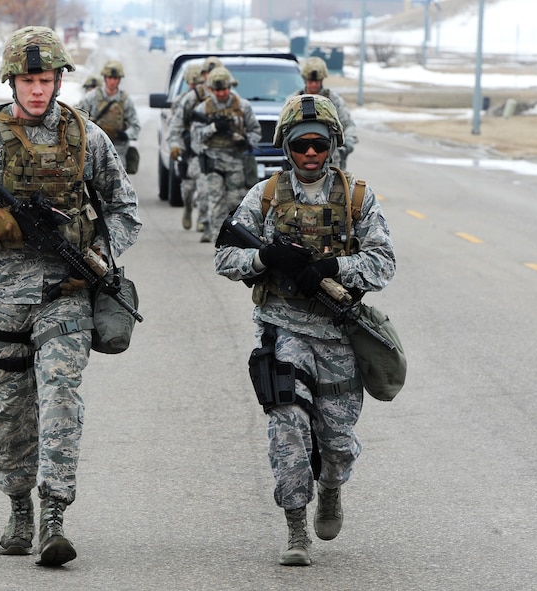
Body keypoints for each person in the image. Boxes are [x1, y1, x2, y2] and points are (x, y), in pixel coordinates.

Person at [0, 26, 141, 567]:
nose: (38, 90)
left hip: (65, 293)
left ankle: (53, 516)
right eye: (28, 80)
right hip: (1, 298)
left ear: (59, 79)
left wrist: (98, 251)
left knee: (61, 394)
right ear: (12, 81)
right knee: (9, 409)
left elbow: (124, 210)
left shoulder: (88, 138)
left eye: (46, 79)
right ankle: (19, 506)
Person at [213, 94, 395, 566]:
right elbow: (225, 255)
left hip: (338, 333)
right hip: (282, 327)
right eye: (300, 146)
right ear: (286, 147)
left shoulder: (357, 197)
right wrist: (266, 257)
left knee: (335, 442)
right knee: (287, 423)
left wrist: (337, 265)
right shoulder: (266, 195)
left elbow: (384, 262)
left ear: (332, 145)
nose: (310, 154)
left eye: (318, 144)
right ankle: (296, 528)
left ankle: (330, 488)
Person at [190, 66, 261, 243]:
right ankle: (218, 240)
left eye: (224, 89)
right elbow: (195, 136)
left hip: (236, 161)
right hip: (213, 161)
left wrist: (245, 140)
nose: (222, 93)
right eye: (218, 90)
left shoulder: (243, 106)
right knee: (216, 201)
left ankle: (234, 237)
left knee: (234, 201)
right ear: (211, 90)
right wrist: (213, 128)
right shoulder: (203, 108)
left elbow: (255, 131)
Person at [290, 56, 358, 170]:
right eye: (310, 81)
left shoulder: (333, 100)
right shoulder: (294, 101)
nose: (313, 85)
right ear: (305, 80)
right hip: (300, 158)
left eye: (317, 81)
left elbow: (347, 124)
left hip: (331, 159)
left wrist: (348, 143)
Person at [166, 62, 208, 230]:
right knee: (188, 188)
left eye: (196, 83)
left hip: (203, 149)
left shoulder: (209, 99)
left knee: (204, 186)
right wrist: (176, 146)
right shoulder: (181, 101)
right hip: (187, 148)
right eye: (190, 83)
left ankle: (203, 218)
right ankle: (188, 208)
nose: (193, 86)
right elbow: (174, 125)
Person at [77, 60, 141, 171]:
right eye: (110, 78)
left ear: (119, 80)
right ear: (105, 78)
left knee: (118, 184)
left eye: (115, 78)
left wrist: (126, 135)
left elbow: (135, 125)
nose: (112, 81)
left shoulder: (125, 100)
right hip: (94, 148)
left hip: (118, 150)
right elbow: (77, 118)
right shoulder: (92, 97)